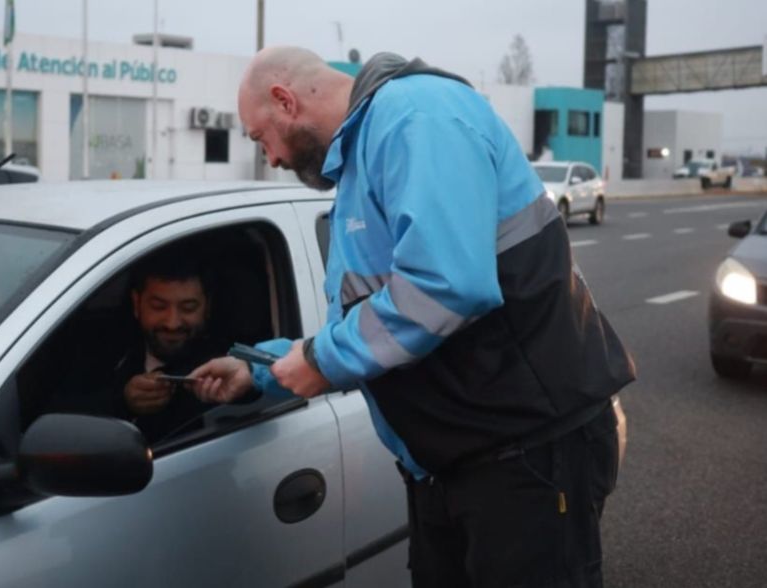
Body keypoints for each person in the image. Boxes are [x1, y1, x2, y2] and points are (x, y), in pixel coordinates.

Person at [190, 47, 636, 587]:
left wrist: (322, 361)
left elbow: (447, 286)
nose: (272, 158)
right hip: (456, 461)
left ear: (285, 102)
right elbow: (366, 326)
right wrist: (260, 372)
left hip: (524, 454)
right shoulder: (362, 165)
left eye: (262, 139)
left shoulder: (414, 115)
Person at [107, 248, 228, 443]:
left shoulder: (223, 367)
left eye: (188, 308)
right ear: (137, 304)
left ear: (207, 306)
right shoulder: (102, 350)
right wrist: (122, 402)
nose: (173, 323)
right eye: (159, 307)